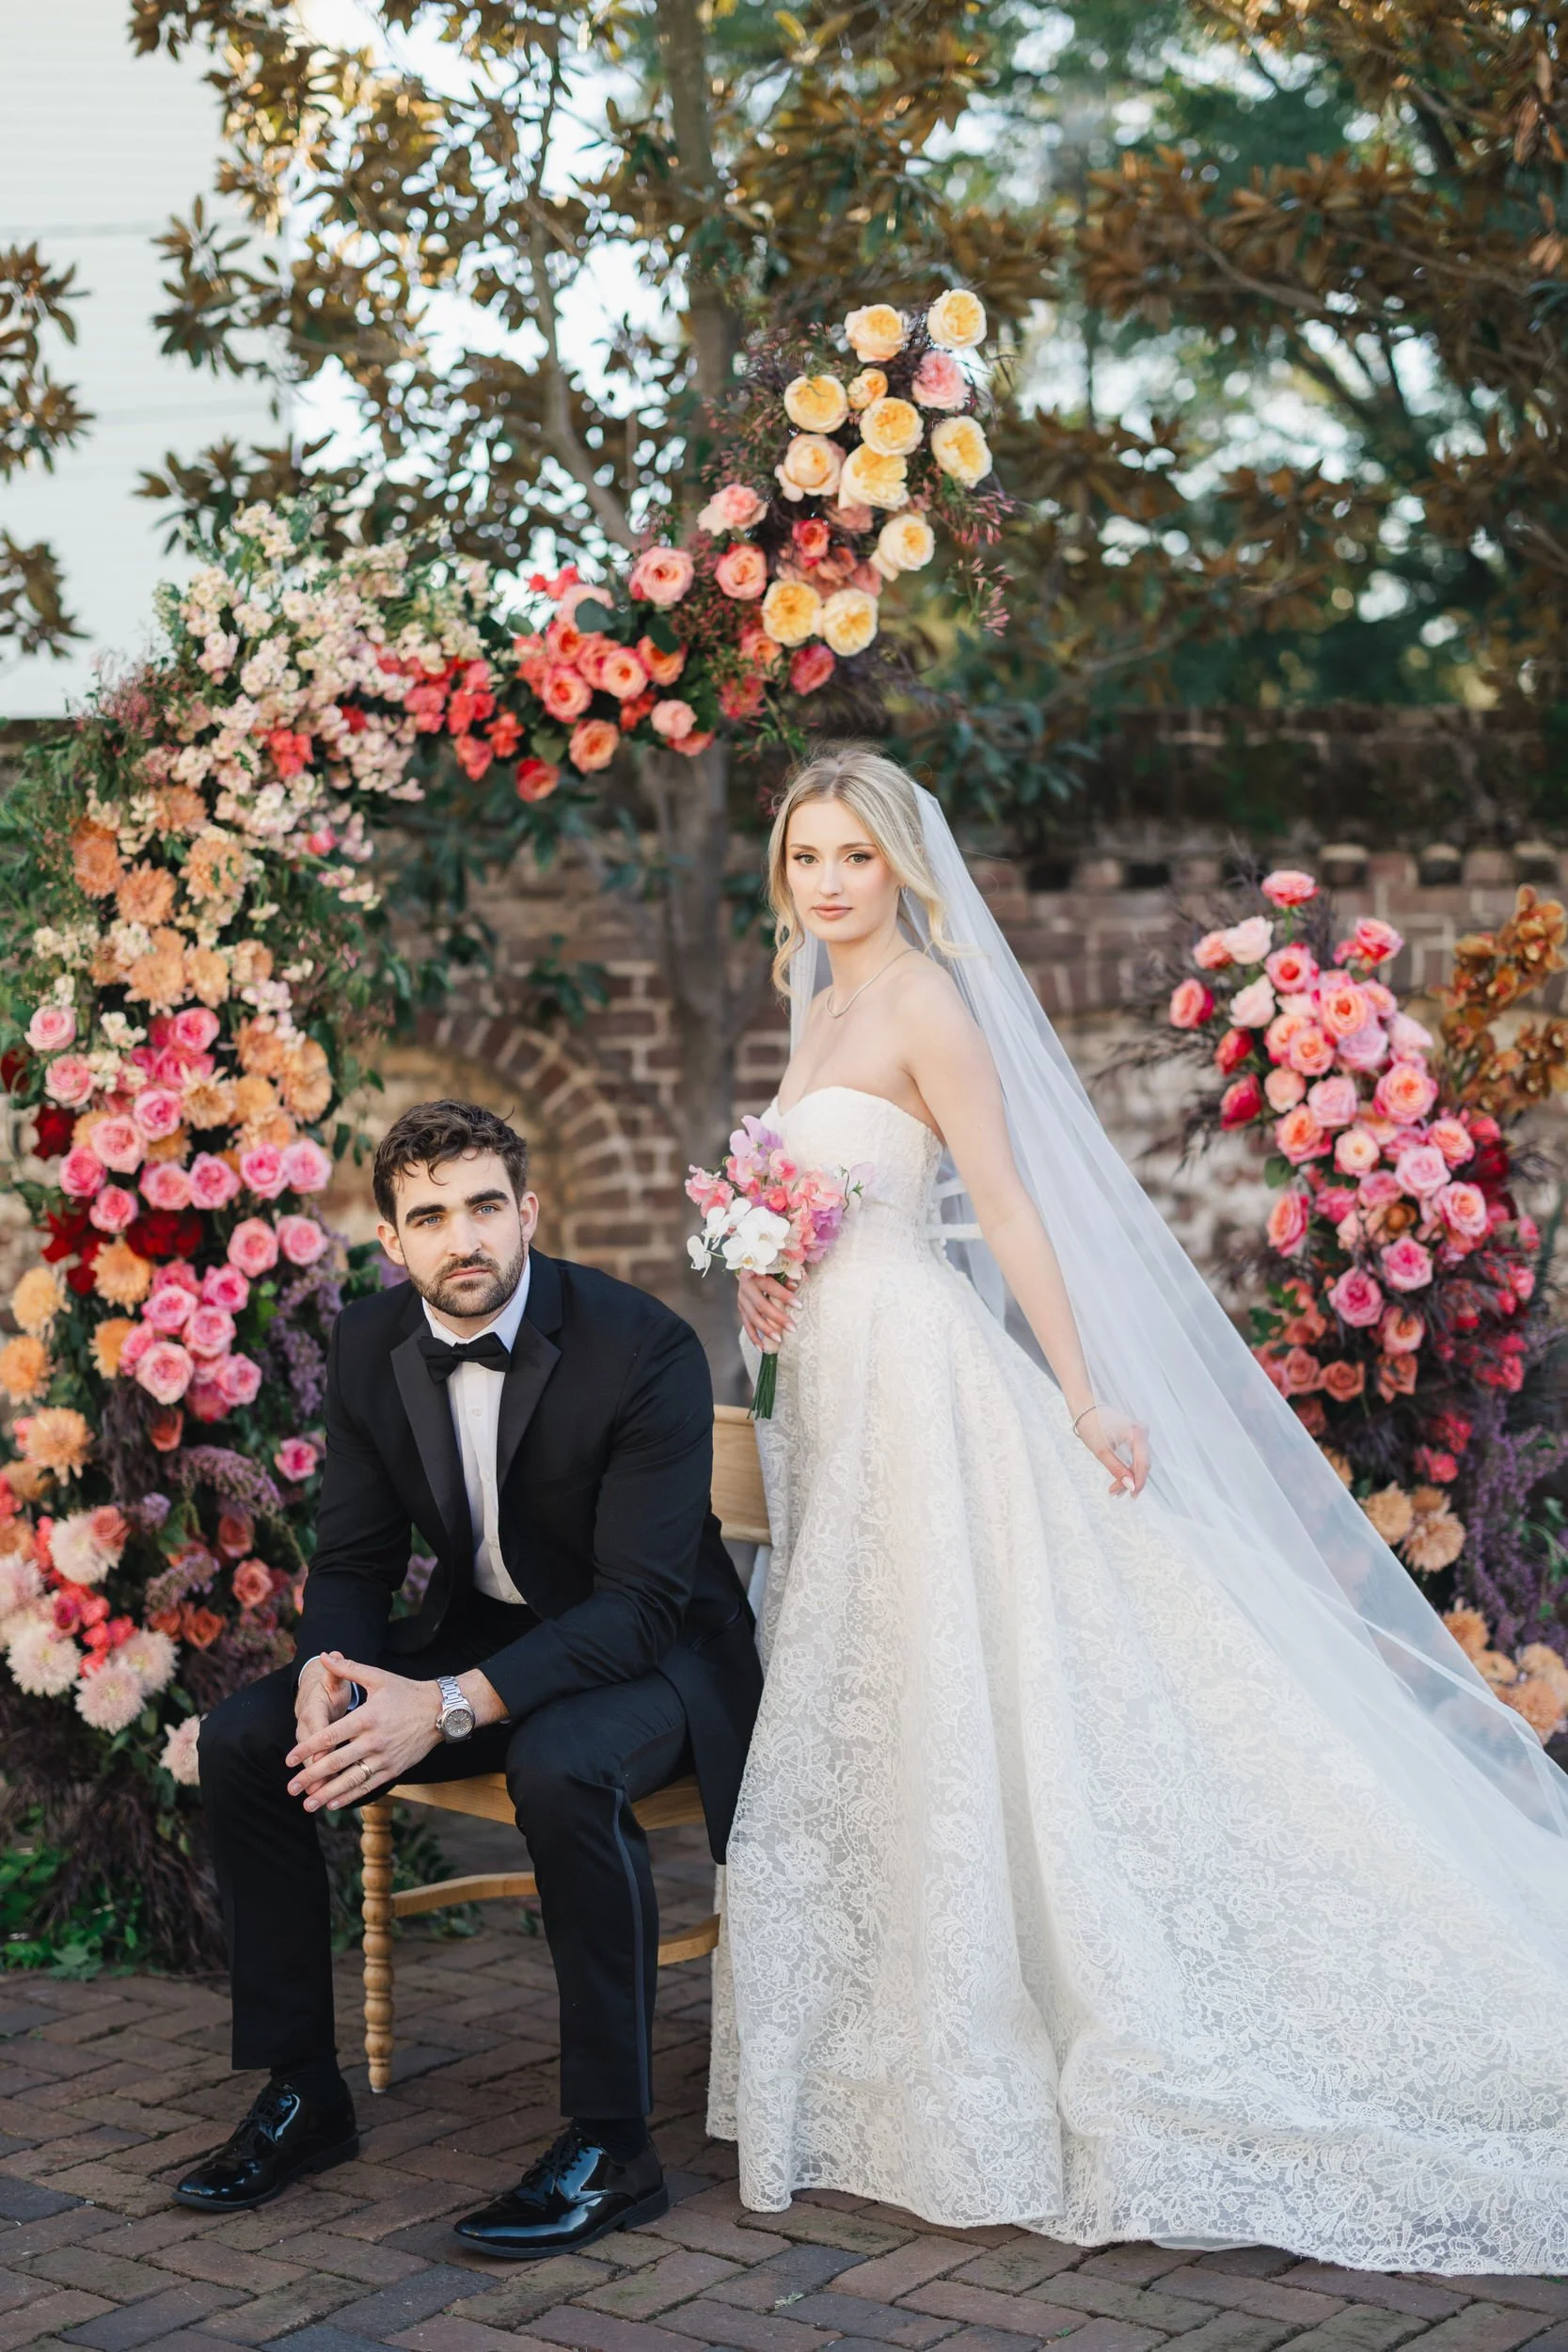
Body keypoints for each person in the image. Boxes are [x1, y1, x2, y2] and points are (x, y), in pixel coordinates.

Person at [707, 742, 1568, 2274]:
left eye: (851, 854)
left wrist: (1089, 1392)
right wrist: (772, 1262)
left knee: (972, 1682)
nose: (827, 881)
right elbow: (830, 1197)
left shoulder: (922, 1001)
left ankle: (996, 2046)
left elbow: (1007, 1199)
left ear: (900, 866)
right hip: (832, 1391)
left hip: (919, 1382)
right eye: (804, 857)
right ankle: (880, 2048)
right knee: (885, 1697)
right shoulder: (820, 999)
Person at [179, 1099, 762, 2254]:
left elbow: (639, 1606)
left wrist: (444, 1706)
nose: (465, 1239)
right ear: (391, 1241)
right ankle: (304, 2090)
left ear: (528, 1210)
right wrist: (330, 1675)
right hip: (490, 1632)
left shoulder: (638, 1344)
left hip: (656, 1655)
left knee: (558, 1762)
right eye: (430, 1216)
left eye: (485, 1205)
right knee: (251, 1738)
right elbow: (349, 1559)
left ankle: (614, 2146)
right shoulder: (367, 1343)